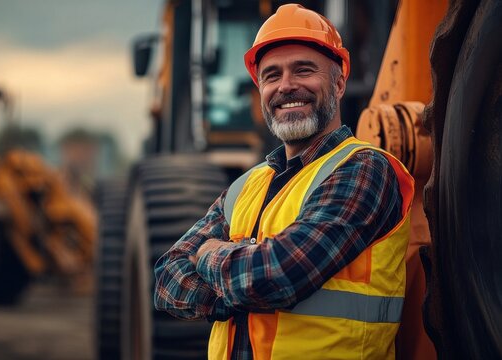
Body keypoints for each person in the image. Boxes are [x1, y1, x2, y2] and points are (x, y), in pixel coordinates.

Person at [154, 4, 414, 360]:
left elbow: (278, 274)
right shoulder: (248, 186)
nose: (286, 86)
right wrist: (240, 280)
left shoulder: (365, 170)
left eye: (303, 70)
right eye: (271, 75)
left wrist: (211, 253)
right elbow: (168, 280)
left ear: (339, 82)